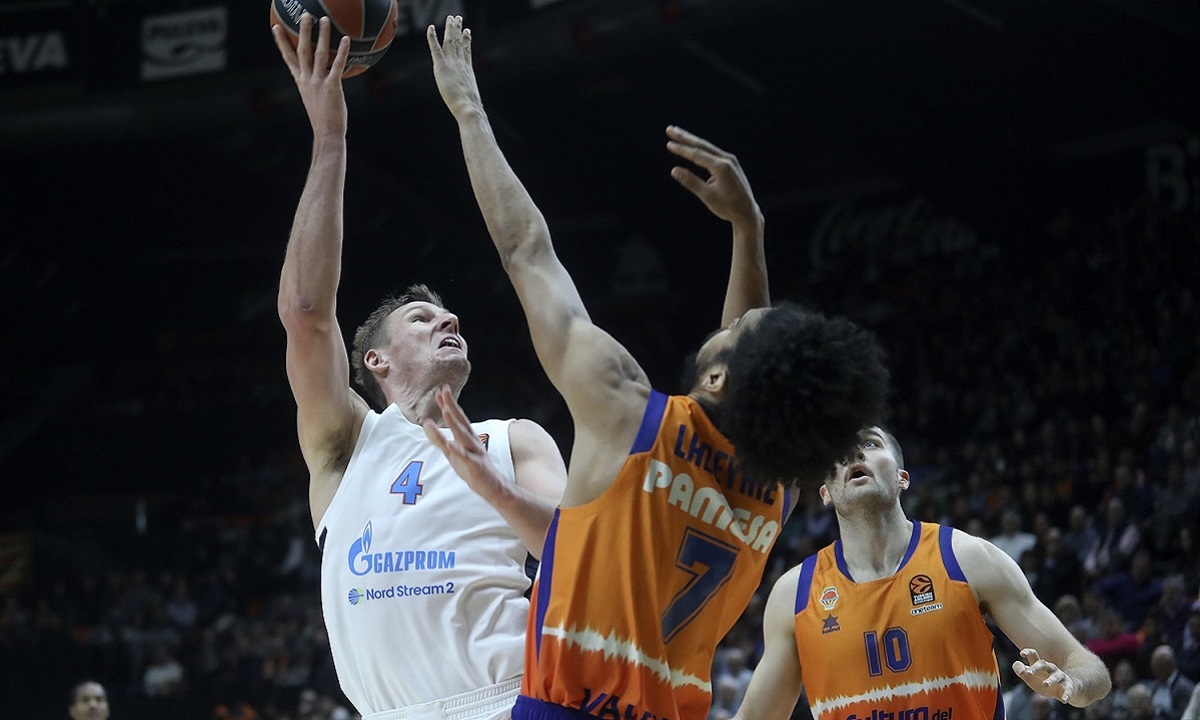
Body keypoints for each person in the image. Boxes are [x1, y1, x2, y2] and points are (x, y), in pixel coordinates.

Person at [427, 16, 890, 720]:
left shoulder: (625, 409)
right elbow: (763, 374)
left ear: (718, 379)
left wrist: (468, 111)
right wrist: (747, 230)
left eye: (735, 332)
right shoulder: (777, 494)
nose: (730, 322)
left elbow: (527, 251)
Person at [270, 15, 568, 720]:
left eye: (450, 316)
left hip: (506, 703)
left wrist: (494, 487)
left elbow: (578, 559)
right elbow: (306, 312)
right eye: (422, 318)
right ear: (374, 360)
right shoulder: (346, 446)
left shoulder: (514, 439)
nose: (449, 321)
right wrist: (330, 137)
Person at [731, 427, 1112, 720]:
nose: (854, 454)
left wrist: (1072, 685)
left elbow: (1088, 668)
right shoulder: (794, 594)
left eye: (871, 443)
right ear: (825, 492)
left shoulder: (967, 558)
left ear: (902, 477)